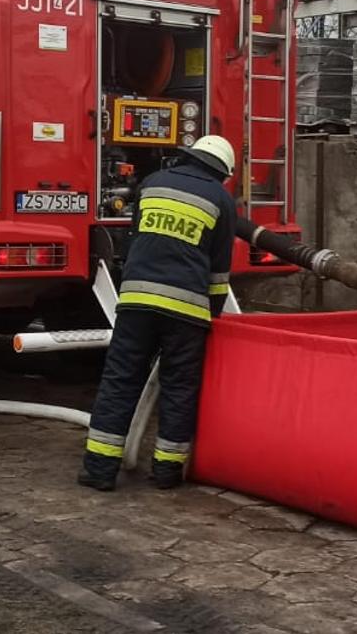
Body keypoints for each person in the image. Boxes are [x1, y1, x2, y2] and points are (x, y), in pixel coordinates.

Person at [79, 135, 239, 491]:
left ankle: (100, 470)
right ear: (222, 172)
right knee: (179, 388)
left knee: (121, 380)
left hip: (136, 301)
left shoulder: (152, 184)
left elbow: (135, 241)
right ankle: (167, 471)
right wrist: (211, 315)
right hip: (186, 310)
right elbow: (219, 271)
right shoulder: (222, 200)